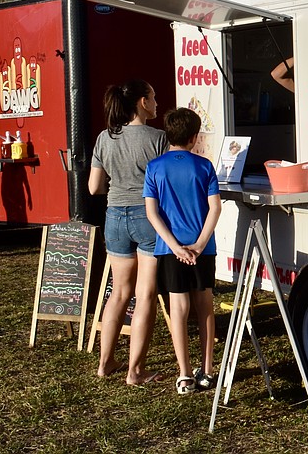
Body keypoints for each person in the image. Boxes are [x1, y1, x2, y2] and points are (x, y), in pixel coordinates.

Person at [89, 79, 169, 385]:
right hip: (147, 217)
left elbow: (94, 187)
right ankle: (136, 371)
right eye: (153, 97)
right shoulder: (157, 138)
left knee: (119, 293)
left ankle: (105, 362)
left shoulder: (104, 138)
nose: (157, 102)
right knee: (145, 293)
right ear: (142, 102)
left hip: (114, 216)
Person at [144, 107, 221, 394]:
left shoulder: (155, 167)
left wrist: (175, 247)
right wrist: (199, 245)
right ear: (194, 137)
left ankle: (184, 374)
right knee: (205, 306)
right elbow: (215, 208)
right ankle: (208, 370)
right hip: (203, 248)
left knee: (178, 309)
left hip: (169, 248)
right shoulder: (204, 167)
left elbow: (152, 213)